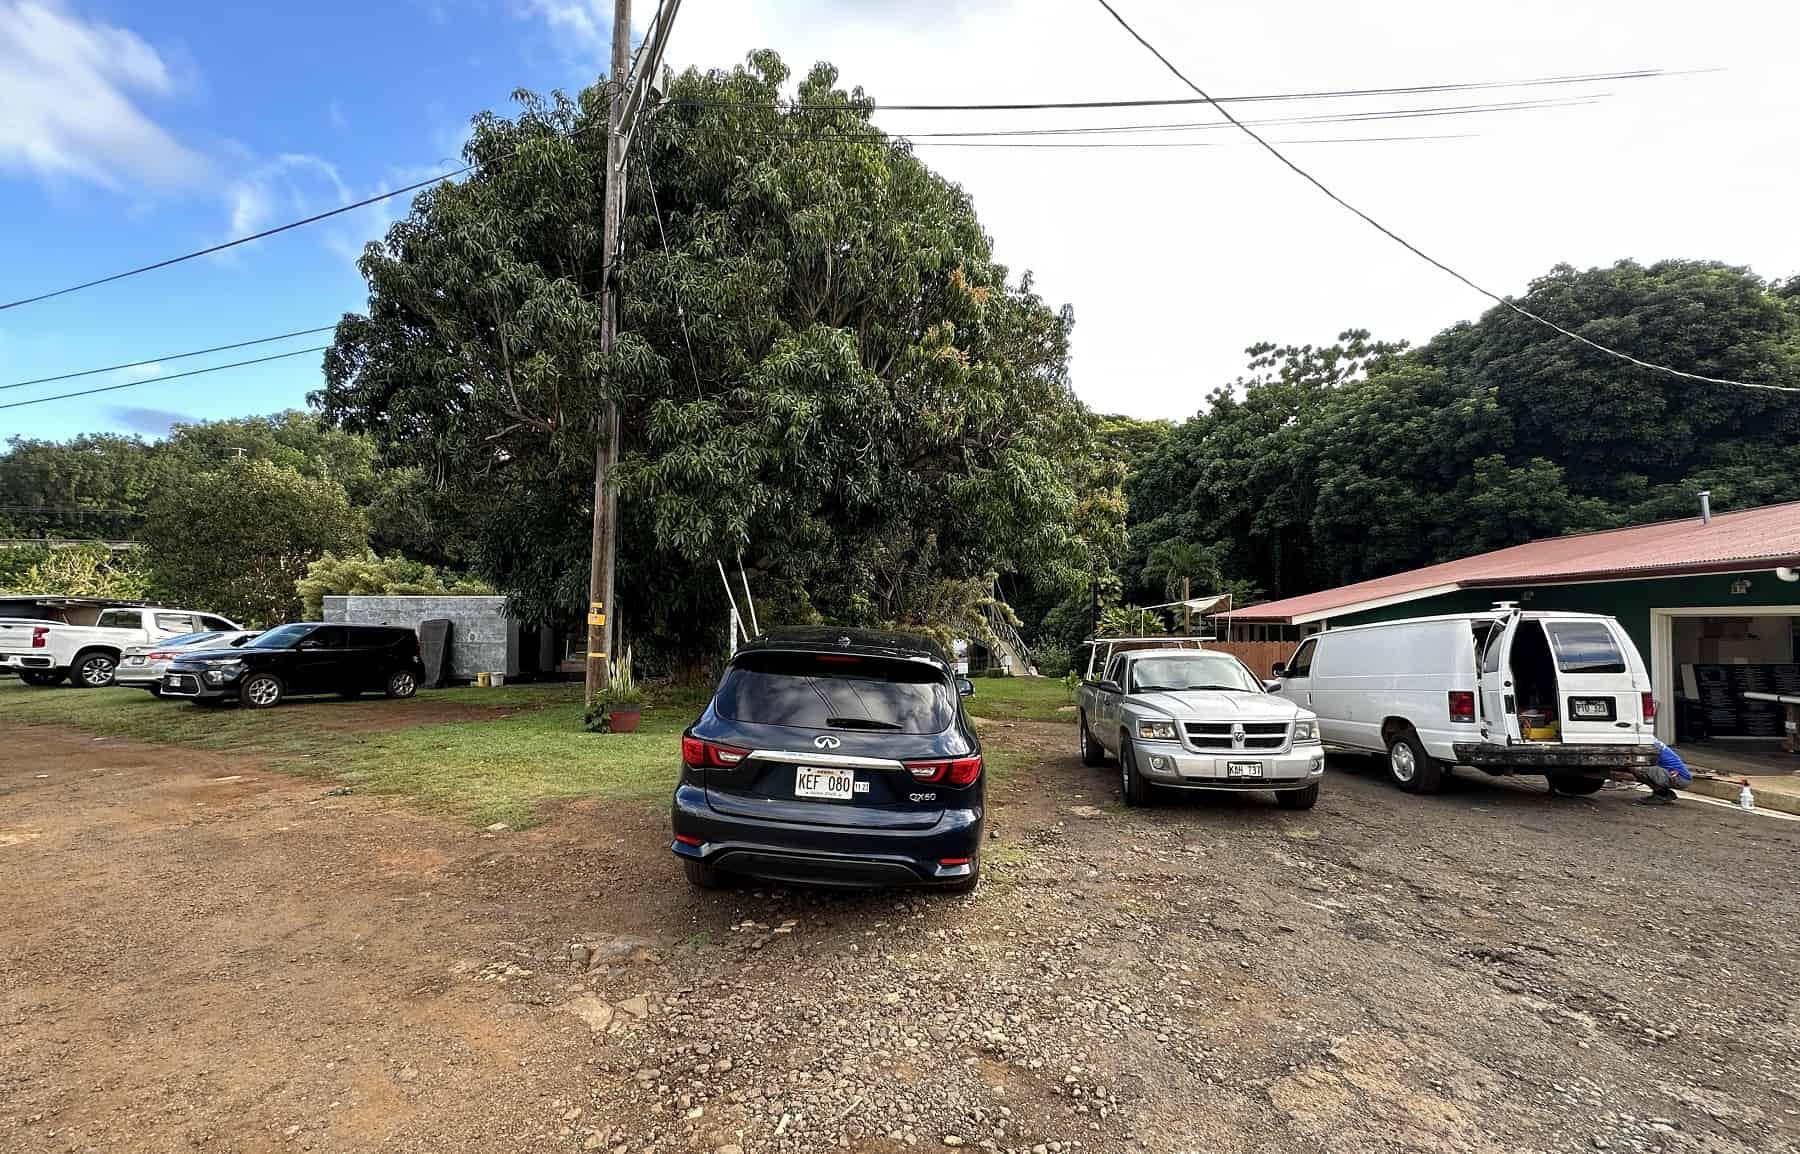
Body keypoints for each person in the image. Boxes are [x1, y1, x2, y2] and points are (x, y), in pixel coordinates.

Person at [1627, 739, 1691, 806]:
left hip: (1680, 778)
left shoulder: (1648, 744)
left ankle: (1662, 795)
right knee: (1639, 769)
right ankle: (1664, 793)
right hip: (1678, 776)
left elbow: (1644, 764)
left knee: (1637, 769)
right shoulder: (1651, 740)